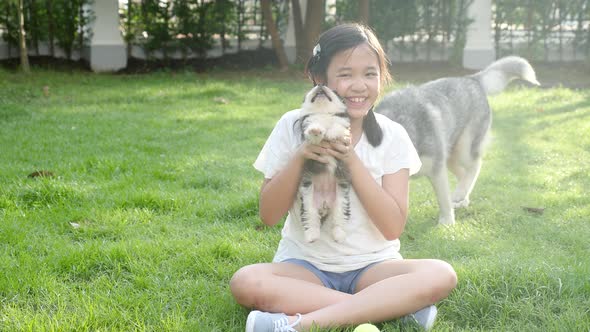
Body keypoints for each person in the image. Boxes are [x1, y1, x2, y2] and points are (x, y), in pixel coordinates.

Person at [230, 23, 457, 332]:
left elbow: (392, 228)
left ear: (382, 76)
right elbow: (268, 215)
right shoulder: (291, 126)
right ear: (320, 79)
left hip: (374, 267)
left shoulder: (393, 136)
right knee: (246, 281)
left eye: (370, 73)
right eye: (346, 74)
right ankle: (388, 308)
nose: (359, 85)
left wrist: (350, 160)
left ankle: (294, 326)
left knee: (442, 273)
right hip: (305, 267)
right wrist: (300, 157)